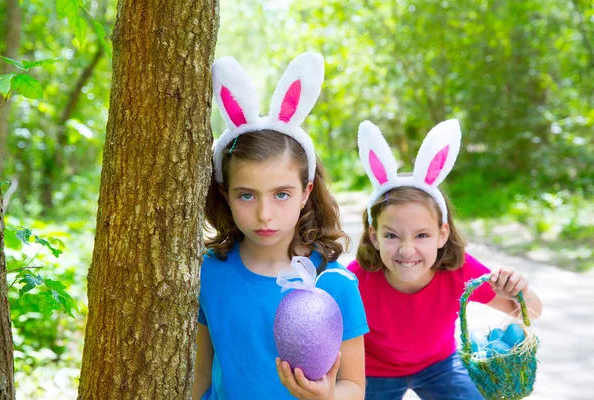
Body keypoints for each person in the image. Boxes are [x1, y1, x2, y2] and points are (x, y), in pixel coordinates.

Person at [192, 53, 368, 400]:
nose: (264, 214)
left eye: (281, 194)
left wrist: (327, 396)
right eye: (247, 195)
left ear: (306, 193)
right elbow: (200, 374)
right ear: (225, 193)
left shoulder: (334, 283)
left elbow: (354, 385)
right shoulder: (208, 273)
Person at [348, 120, 543, 400]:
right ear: (374, 236)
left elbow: (531, 312)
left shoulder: (460, 270)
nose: (407, 250)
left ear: (442, 235)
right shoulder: (355, 280)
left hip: (439, 364)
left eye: (422, 235)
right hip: (374, 370)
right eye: (391, 236)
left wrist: (518, 290)